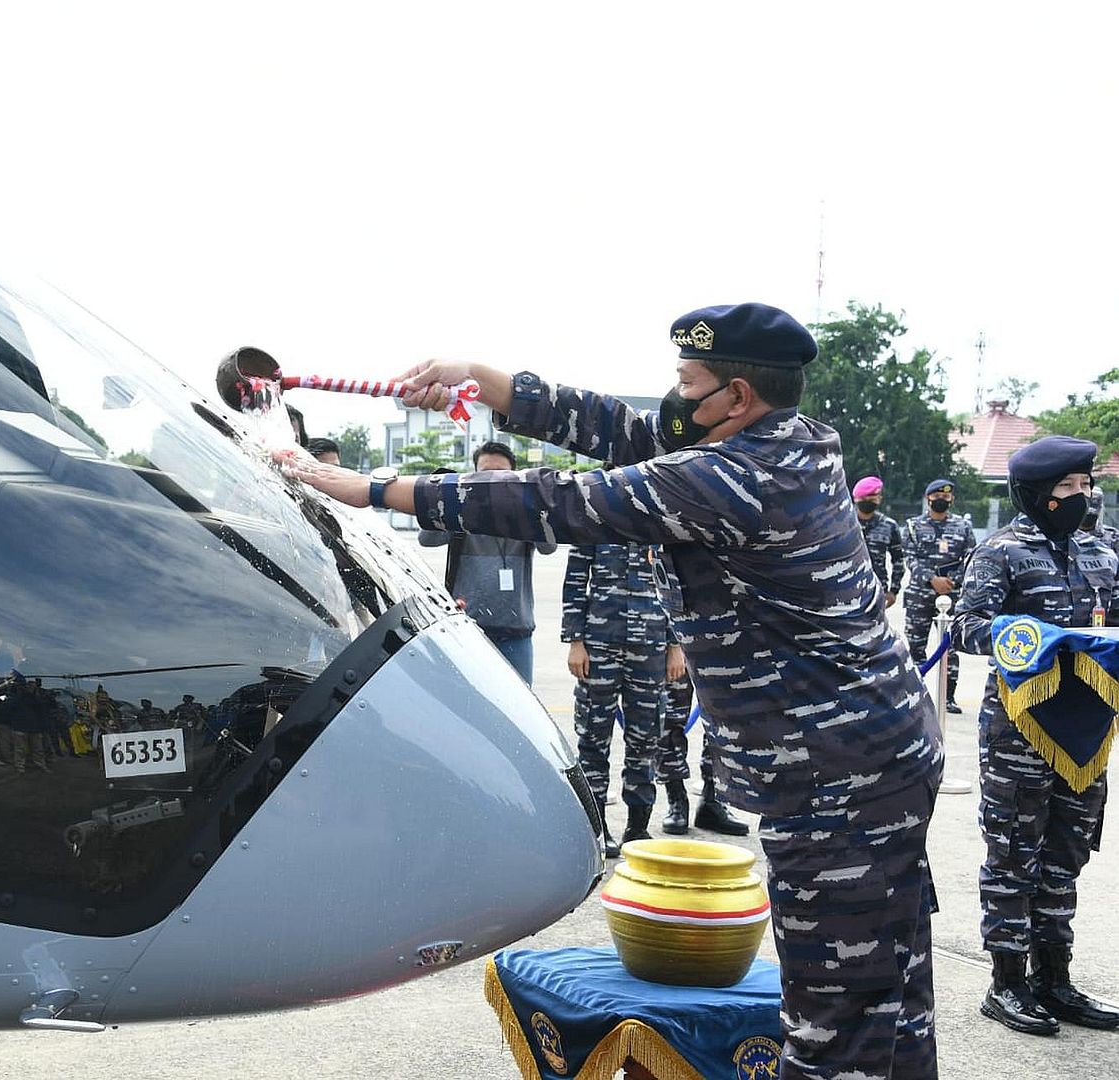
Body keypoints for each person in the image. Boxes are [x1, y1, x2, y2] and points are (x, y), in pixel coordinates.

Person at [284, 302, 944, 1078]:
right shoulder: (789, 440)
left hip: (837, 774)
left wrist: (374, 489)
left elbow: (562, 500)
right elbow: (613, 427)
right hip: (876, 752)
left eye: (686, 383)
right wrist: (480, 379)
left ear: (735, 397)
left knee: (835, 1014)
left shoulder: (735, 477)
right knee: (892, 991)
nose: (673, 398)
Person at [953, 436, 1119, 1035]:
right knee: (1013, 855)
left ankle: (1054, 979)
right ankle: (1007, 983)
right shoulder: (1001, 552)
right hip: (1019, 730)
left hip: (1086, 728)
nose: (1083, 496)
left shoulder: (1102, 552)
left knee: (1065, 854)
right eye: (1069, 487)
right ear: (1038, 494)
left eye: (1086, 485)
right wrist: (1030, 638)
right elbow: (967, 626)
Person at [562, 541, 670, 855]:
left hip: (650, 645)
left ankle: (637, 828)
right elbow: (575, 578)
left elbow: (675, 584)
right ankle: (596, 829)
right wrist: (575, 641)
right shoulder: (594, 518)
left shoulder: (660, 519)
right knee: (593, 739)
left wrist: (676, 645)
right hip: (599, 644)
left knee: (645, 739)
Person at [418, 441, 556, 683]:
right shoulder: (460, 512)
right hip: (467, 630)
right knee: (464, 701)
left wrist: (532, 506)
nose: (493, 480)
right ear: (473, 475)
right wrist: (444, 499)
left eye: (501, 474)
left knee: (518, 702)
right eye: (485, 474)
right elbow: (426, 539)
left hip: (516, 632)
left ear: (514, 475)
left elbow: (549, 547)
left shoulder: (524, 514)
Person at [654, 556, 749, 838]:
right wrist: (673, 643)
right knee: (671, 718)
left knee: (722, 721)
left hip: (725, 630)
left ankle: (712, 800)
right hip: (682, 631)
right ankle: (676, 800)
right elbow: (660, 578)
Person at [904, 478, 975, 713]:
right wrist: (931, 579)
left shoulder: (963, 527)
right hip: (920, 595)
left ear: (952, 499)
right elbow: (910, 558)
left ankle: (948, 697)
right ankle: (916, 695)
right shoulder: (913, 526)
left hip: (952, 595)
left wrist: (952, 580)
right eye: (937, 497)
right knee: (915, 646)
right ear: (928, 499)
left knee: (950, 648)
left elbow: (970, 558)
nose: (941, 500)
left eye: (946, 497)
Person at [853, 475, 905, 608]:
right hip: (846, 589)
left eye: (872, 498)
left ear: (879, 499)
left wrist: (894, 590)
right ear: (855, 499)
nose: (867, 502)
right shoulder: (844, 523)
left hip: (877, 590)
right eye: (863, 499)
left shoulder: (889, 525)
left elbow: (898, 560)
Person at [1081, 486, 1119, 550]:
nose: (1091, 509)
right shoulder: (1066, 536)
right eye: (1087, 502)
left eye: (1095, 502)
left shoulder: (1113, 535)